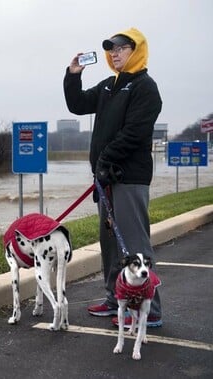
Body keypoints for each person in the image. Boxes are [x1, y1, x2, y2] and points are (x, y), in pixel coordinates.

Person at [63, 27, 163, 327]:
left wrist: (105, 159)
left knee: (134, 244)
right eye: (111, 48)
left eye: (121, 47)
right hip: (106, 177)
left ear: (136, 50)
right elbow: (77, 104)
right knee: (109, 243)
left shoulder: (145, 87)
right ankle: (115, 299)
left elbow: (135, 133)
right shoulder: (109, 86)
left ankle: (150, 310)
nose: (114, 53)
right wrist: (73, 74)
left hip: (129, 177)